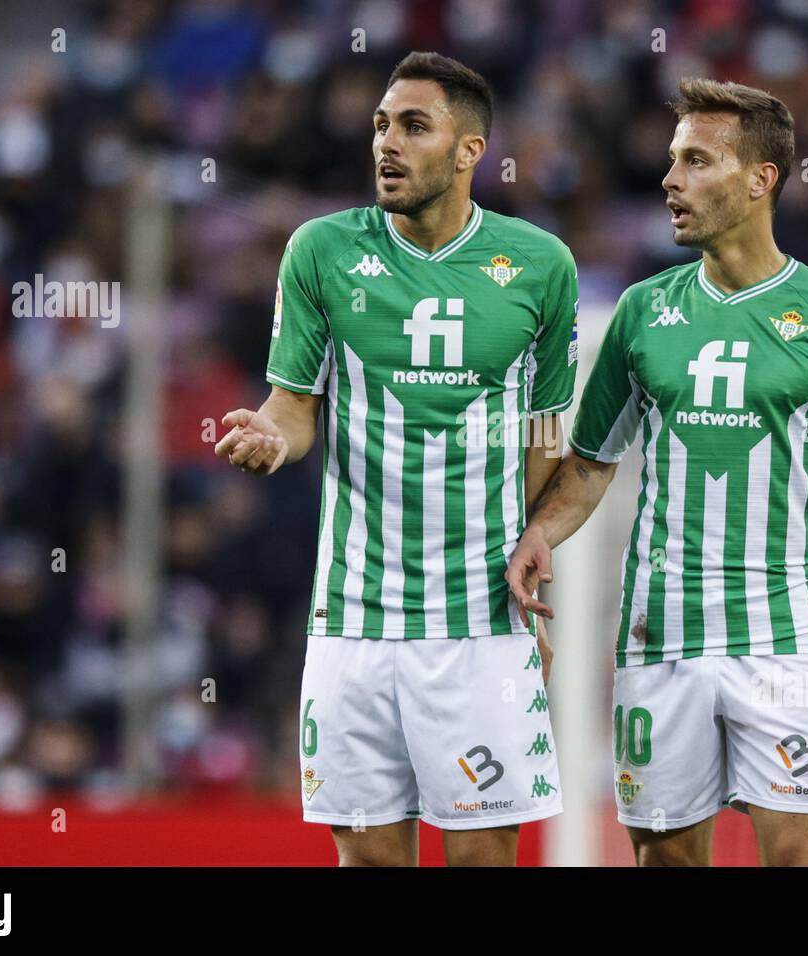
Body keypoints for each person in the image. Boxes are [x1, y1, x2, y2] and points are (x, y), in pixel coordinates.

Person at [506, 77, 808, 866]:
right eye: (670, 159)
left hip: (788, 639)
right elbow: (588, 465)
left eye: (696, 160)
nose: (669, 180)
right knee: (667, 862)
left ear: (762, 179)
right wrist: (540, 533)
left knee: (799, 856)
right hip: (660, 640)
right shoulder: (643, 312)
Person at [215, 52, 578, 867]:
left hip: (480, 623)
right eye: (381, 125)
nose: (388, 142)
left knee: (482, 858)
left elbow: (547, 438)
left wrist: (533, 560)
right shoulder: (321, 251)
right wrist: (272, 438)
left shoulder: (540, 266)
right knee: (370, 859)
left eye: (414, 126)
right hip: (354, 619)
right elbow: (294, 406)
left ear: (468, 149)